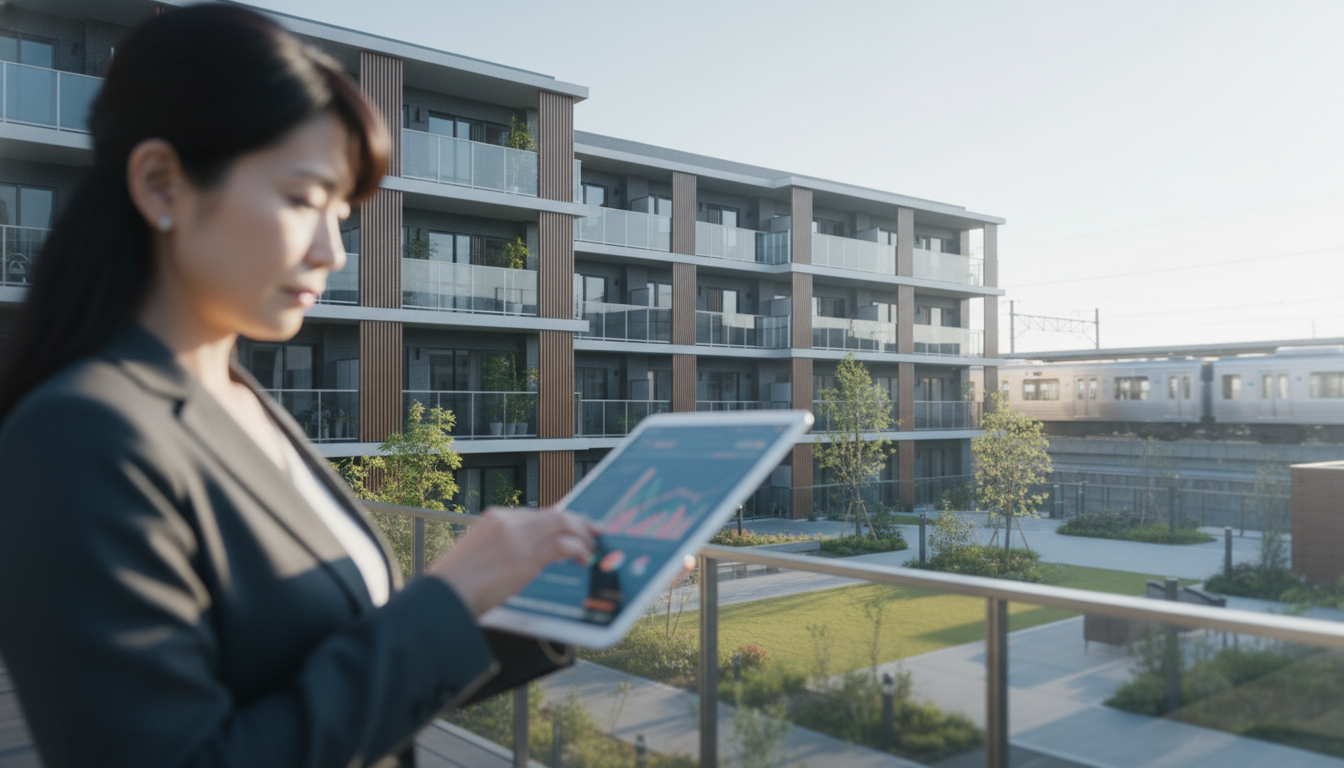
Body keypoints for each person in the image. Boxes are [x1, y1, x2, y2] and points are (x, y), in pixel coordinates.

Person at [0, 5, 601, 767]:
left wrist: (559, 601)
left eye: (342, 214)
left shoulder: (245, 401)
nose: (333, 252)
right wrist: (448, 594)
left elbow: (331, 682)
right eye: (301, 199)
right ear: (161, 183)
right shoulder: (80, 436)